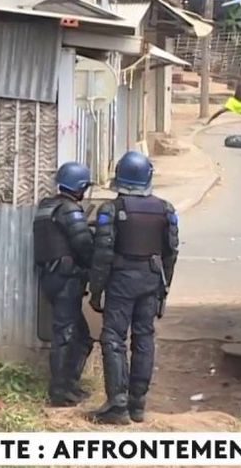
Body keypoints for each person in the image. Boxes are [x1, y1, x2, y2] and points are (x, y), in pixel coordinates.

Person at [87, 151, 179, 424]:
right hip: (151, 279)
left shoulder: (111, 210)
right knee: (144, 337)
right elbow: (171, 252)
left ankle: (117, 404)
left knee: (114, 338)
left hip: (122, 280)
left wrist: (96, 290)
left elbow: (102, 254)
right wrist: (164, 289)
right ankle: (138, 404)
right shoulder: (166, 209)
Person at [32, 161, 95, 407]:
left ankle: (69, 387)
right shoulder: (69, 210)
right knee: (68, 336)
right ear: (79, 187)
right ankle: (60, 391)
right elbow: (83, 245)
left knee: (79, 337)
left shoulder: (46, 208)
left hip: (51, 279)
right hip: (67, 280)